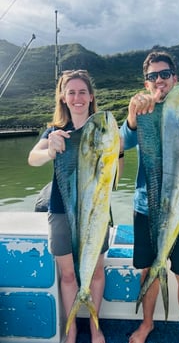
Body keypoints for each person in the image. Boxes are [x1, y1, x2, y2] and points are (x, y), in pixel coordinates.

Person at [120, 51, 179, 343]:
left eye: (164, 74)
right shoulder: (142, 108)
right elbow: (120, 144)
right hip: (145, 207)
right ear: (146, 82)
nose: (159, 80)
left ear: (174, 78)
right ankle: (147, 324)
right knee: (148, 270)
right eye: (153, 76)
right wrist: (131, 117)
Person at [28, 69, 123, 343]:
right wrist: (49, 149)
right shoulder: (55, 131)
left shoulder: (104, 129)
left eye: (82, 92)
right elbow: (32, 159)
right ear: (63, 98)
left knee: (95, 271)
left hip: (96, 213)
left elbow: (118, 175)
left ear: (91, 97)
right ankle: (71, 332)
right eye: (71, 92)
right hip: (60, 212)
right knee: (69, 276)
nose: (77, 97)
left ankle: (95, 328)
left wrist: (117, 150)